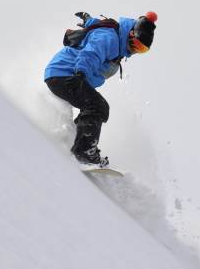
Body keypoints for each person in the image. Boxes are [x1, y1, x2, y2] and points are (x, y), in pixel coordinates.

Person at [44, 11, 157, 166]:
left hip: (64, 74)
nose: (135, 50)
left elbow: (98, 28)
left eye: (141, 50)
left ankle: (79, 141)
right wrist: (81, 72)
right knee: (97, 106)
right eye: (137, 45)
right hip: (66, 74)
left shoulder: (116, 39)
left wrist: (89, 20)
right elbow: (91, 54)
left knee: (95, 105)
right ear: (131, 34)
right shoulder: (109, 38)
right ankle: (84, 151)